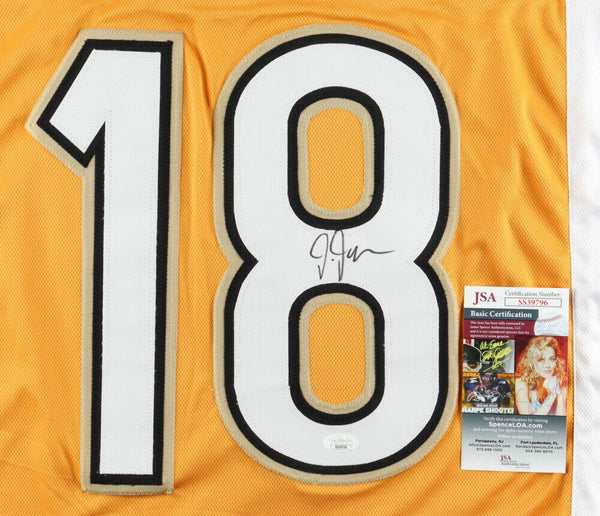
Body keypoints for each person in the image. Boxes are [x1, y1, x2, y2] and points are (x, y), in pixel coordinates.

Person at [515, 336, 567, 416]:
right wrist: (551, 396)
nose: (548, 365)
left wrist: (559, 395)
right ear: (532, 362)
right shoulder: (521, 384)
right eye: (541, 360)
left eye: (552, 359)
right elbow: (529, 421)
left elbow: (561, 421)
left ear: (556, 361)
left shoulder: (561, 382)